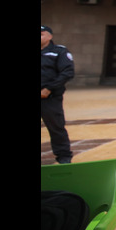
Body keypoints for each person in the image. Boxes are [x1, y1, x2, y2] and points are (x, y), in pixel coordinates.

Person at [41, 25, 75, 164]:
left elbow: (67, 72)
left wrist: (49, 88)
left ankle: (63, 156)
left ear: (50, 36)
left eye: (41, 34)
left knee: (56, 127)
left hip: (49, 97)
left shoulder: (58, 51)